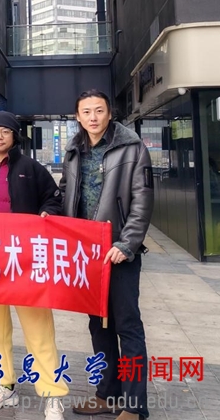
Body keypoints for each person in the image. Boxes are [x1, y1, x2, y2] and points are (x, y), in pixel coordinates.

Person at [0, 111, 67, 420]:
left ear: (14, 136)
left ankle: (52, 394)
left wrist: (48, 213)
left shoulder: (31, 169)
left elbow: (53, 198)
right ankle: (3, 386)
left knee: (38, 327)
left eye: (5, 131)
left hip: (25, 260)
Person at [62, 90, 154, 420]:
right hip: (87, 254)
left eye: (99, 110)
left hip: (119, 253)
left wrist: (127, 245)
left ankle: (134, 406)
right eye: (86, 111)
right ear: (78, 116)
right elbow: (66, 192)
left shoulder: (132, 147)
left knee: (128, 327)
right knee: (99, 326)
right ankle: (107, 394)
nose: (93, 117)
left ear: (109, 113)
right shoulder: (73, 149)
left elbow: (142, 200)